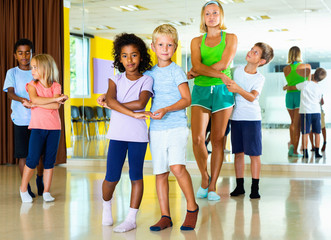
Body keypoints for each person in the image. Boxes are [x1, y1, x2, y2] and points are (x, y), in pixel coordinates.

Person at [97, 33, 153, 233]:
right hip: (118, 135)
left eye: (134, 55)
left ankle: (131, 218)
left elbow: (141, 103)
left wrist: (114, 105)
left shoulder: (147, 80)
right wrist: (133, 114)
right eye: (125, 56)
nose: (130, 60)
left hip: (138, 136)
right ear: (119, 58)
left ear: (141, 57)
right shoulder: (115, 79)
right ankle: (106, 205)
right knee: (111, 177)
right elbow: (111, 101)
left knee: (136, 176)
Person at [145, 24, 199, 232]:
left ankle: (192, 208)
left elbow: (187, 99)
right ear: (153, 47)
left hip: (176, 126)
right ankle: (165, 216)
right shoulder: (149, 73)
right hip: (156, 128)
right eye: (161, 44)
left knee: (177, 167)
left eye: (169, 45)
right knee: (160, 172)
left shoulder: (177, 72)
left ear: (175, 48)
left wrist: (167, 109)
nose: (165, 48)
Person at [187, 0, 237, 201]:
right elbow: (196, 66)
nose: (211, 17)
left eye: (215, 13)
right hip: (200, 91)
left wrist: (198, 71)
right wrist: (200, 71)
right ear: (203, 17)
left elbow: (223, 63)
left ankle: (214, 185)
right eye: (207, 13)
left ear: (221, 16)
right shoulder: (196, 41)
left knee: (218, 140)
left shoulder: (231, 38)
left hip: (223, 93)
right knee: (198, 139)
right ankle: (204, 177)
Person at [226, 42, 274, 199]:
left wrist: (237, 89)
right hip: (236, 118)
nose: (250, 52)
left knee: (254, 155)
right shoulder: (236, 71)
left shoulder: (260, 78)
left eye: (255, 53)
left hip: (252, 119)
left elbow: (253, 97)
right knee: (238, 154)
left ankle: (255, 188)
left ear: (261, 62)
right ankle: (239, 186)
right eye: (251, 50)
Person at [19, 54, 68, 203]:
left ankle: (46, 191)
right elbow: (36, 99)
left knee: (49, 161)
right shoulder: (32, 85)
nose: (32, 70)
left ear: (45, 68)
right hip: (38, 127)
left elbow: (55, 106)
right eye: (32, 67)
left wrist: (35, 104)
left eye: (35, 67)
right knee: (32, 159)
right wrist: (54, 98)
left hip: (54, 128)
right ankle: (23, 189)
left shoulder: (56, 86)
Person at [3, 39, 44, 198]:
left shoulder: (38, 71)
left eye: (27, 52)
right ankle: (25, 186)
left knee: (38, 154)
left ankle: (40, 179)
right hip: (20, 120)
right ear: (15, 55)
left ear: (32, 54)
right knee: (23, 155)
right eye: (20, 52)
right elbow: (10, 93)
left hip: (39, 119)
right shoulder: (11, 73)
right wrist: (23, 100)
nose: (24, 56)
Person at [284, 68, 327, 159]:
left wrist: (286, 87)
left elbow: (293, 87)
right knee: (317, 133)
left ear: (313, 74)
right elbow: (320, 100)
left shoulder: (305, 84)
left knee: (305, 133)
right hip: (316, 112)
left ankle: (305, 152)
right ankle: (317, 152)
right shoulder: (319, 88)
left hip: (305, 112)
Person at [283, 46, 311, 157]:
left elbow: (289, 85)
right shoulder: (306, 67)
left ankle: (292, 145)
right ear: (300, 54)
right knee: (297, 124)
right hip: (300, 96)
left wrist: (287, 87)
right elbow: (307, 85)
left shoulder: (286, 69)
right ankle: (294, 151)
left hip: (289, 97)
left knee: (293, 123)